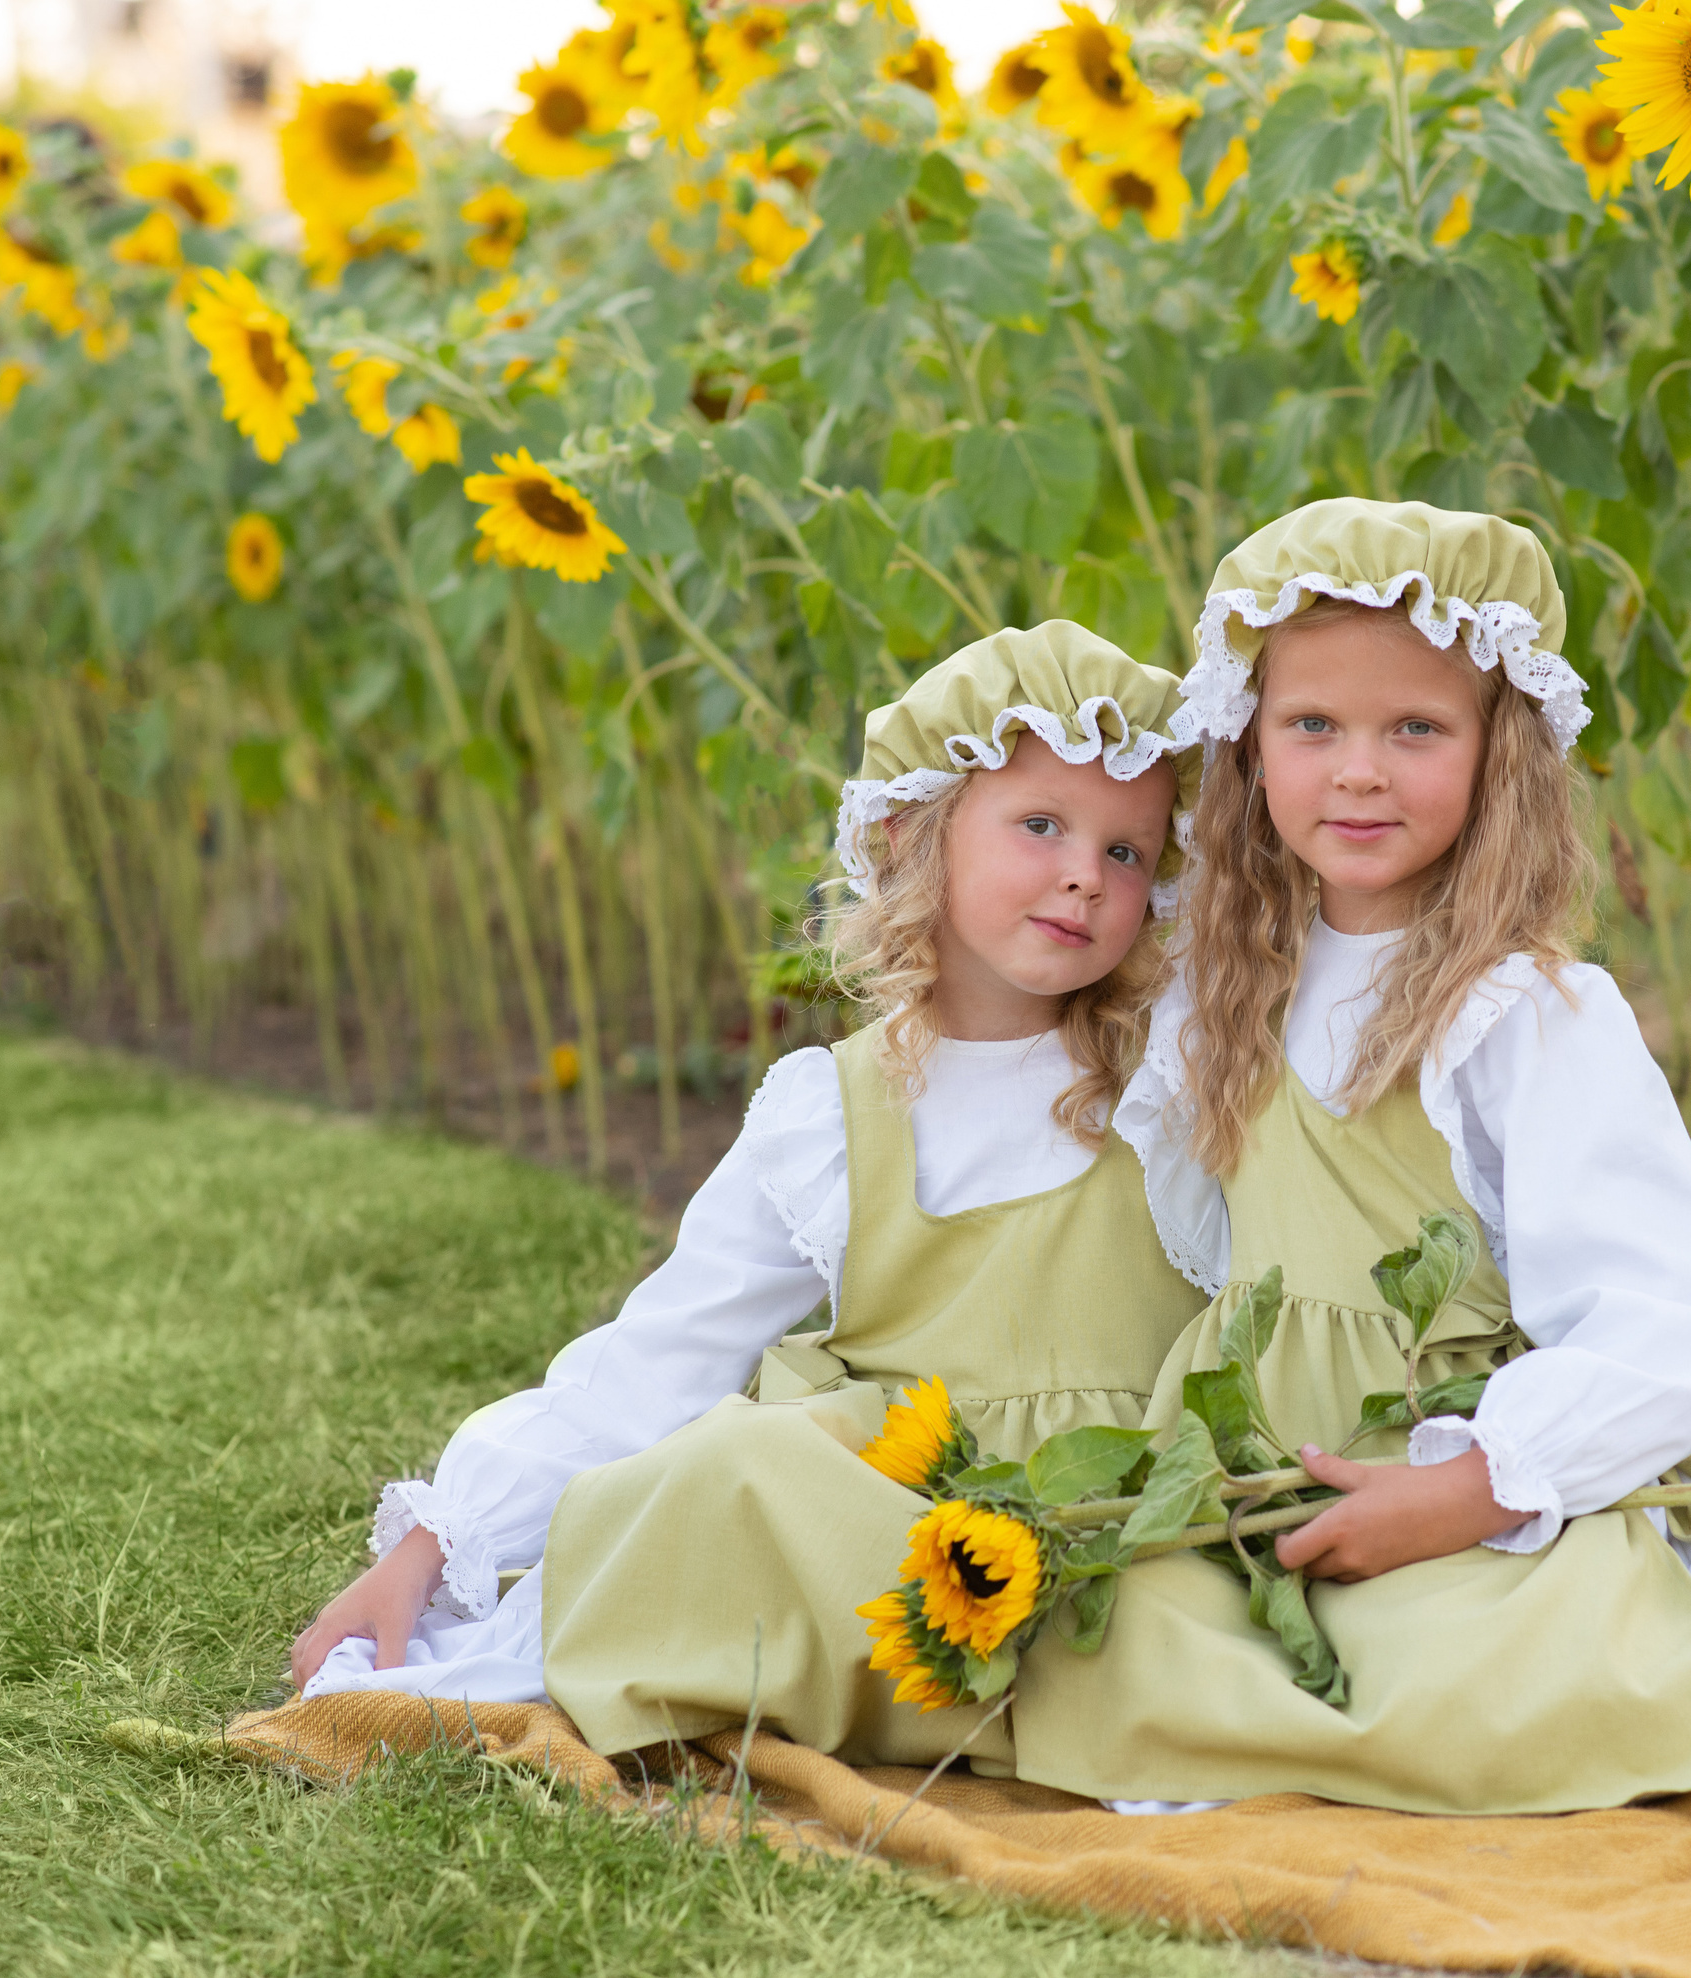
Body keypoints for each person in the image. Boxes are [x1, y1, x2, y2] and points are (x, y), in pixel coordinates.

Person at [1013, 500, 1691, 1816]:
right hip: (1271, 1461)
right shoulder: (1230, 976)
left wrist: (1470, 1486)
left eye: (1414, 728)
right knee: (1120, 1652)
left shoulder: (1521, 1015)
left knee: (1444, 1676)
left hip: (1474, 1458)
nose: (1359, 772)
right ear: (1246, 747)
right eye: (1313, 727)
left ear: (1499, 753)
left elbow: (1668, 1314)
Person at [291, 623, 1209, 1776]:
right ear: (912, 832)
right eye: (1040, 826)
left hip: (1118, 1520)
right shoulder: (834, 1112)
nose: (1087, 872)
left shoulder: (1167, 1081)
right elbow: (663, 1355)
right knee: (734, 1469)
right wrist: (433, 1542)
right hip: (906, 1556)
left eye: (1129, 854)